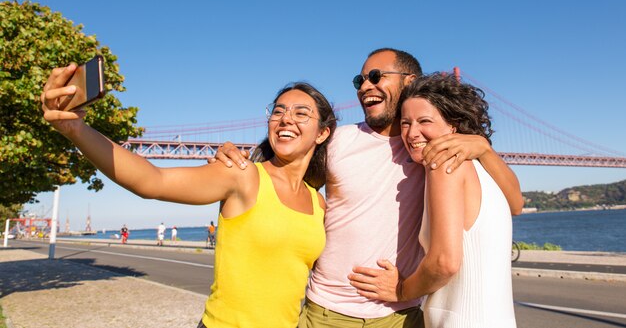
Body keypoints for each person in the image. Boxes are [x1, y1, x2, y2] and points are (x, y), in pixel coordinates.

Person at [213, 48, 522, 327]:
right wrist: (243, 164)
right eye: (359, 80)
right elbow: (284, 181)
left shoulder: (433, 152)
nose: (364, 87)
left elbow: (514, 204)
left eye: (376, 76)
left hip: (400, 317)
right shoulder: (337, 141)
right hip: (327, 314)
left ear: (409, 80)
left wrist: (482, 146)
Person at [41, 66, 336, 328]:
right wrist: (76, 129)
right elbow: (152, 180)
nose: (285, 119)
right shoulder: (243, 175)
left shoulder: (318, 202)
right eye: (279, 111)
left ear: (322, 134)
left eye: (301, 113)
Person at [351, 73, 518, 327]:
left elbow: (444, 263)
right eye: (405, 123)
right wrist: (484, 147)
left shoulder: (442, 163)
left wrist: (401, 291)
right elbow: (517, 204)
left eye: (424, 121)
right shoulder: (482, 167)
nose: (412, 133)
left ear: (452, 125)